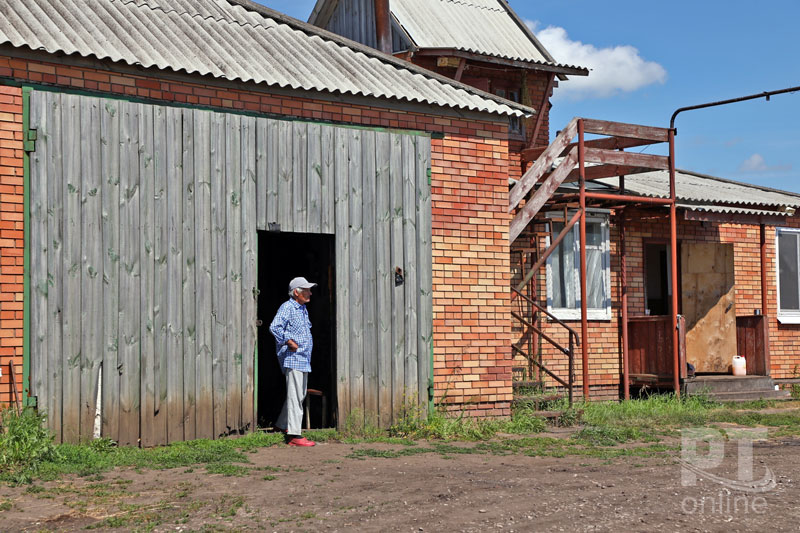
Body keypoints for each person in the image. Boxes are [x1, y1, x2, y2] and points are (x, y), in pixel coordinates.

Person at [269, 276, 318, 447]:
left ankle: (281, 425)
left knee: (298, 395)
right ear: (296, 292)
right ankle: (294, 435)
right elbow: (275, 327)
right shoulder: (288, 307)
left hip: (303, 358)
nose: (310, 293)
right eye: (307, 290)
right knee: (296, 396)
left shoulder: (302, 309)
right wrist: (288, 341)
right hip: (294, 357)